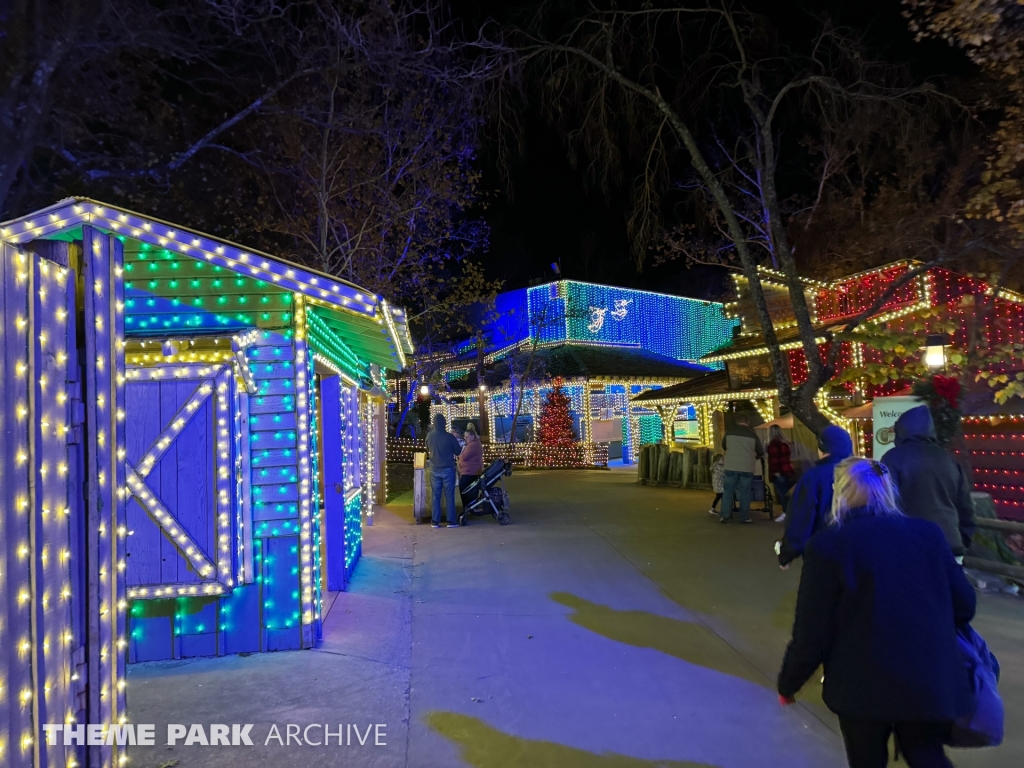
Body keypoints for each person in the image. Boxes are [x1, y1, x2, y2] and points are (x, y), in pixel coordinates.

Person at [777, 457, 975, 768]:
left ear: (840, 492)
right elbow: (964, 604)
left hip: (862, 684)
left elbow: (812, 630)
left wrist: (789, 683)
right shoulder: (928, 534)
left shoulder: (828, 545)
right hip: (929, 674)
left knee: (866, 759)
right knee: (926, 754)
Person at [881, 405, 976, 559]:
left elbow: (884, 503)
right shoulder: (948, 460)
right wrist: (962, 539)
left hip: (909, 544)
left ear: (902, 430)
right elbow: (965, 506)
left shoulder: (892, 458)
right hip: (949, 542)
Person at [777, 425, 852, 567]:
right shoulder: (864, 473)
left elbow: (801, 518)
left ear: (822, 448)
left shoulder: (813, 477)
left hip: (823, 552)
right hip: (860, 552)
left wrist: (787, 554)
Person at [720, 411, 764, 524]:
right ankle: (744, 517)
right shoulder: (752, 434)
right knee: (745, 492)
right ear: (748, 422)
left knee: (728, 491)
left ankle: (725, 515)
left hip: (731, 465)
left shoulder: (729, 432)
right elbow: (760, 450)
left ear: (737, 422)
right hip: (747, 467)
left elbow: (723, 445)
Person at [426, 414, 462, 528]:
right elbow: (458, 452)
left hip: (434, 469)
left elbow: (428, 449)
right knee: (449, 495)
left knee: (436, 495)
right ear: (444, 423)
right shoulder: (449, 437)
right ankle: (451, 521)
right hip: (448, 469)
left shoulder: (429, 436)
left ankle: (435, 521)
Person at [767, 425, 796, 523]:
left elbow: (774, 460)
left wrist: (775, 472)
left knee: (783, 495)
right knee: (789, 494)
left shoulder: (773, 444)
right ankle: (791, 513)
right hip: (788, 470)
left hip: (779, 472)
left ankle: (786, 513)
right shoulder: (786, 443)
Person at [458, 421, 484, 497]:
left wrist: (460, 455)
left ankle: (468, 507)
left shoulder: (472, 445)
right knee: (469, 491)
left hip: (470, 472)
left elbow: (464, 457)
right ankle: (470, 506)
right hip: (472, 471)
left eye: (467, 437)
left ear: (472, 436)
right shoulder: (474, 443)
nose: (465, 439)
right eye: (464, 437)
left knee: (464, 490)